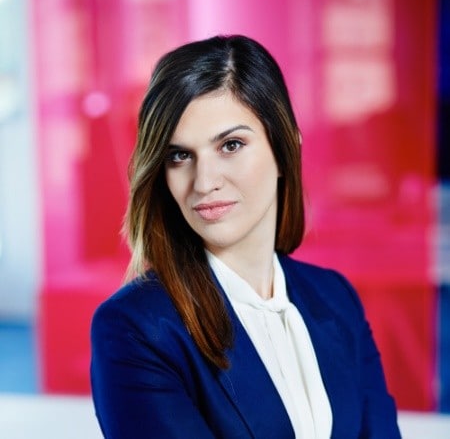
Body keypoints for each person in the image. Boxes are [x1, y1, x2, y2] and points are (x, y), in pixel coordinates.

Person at [90, 35, 401, 439]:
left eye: (231, 145)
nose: (204, 182)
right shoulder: (136, 329)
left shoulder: (335, 297)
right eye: (179, 155)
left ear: (285, 149)